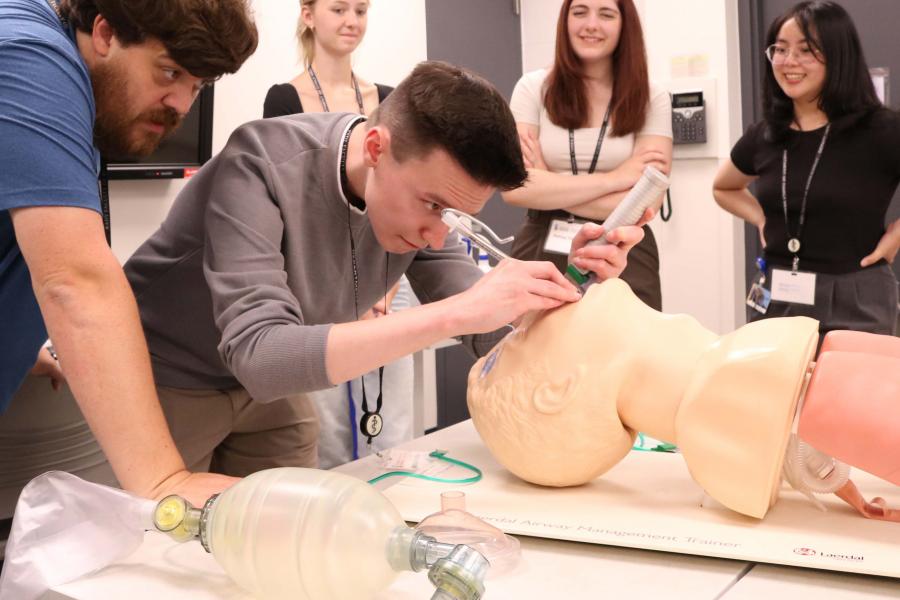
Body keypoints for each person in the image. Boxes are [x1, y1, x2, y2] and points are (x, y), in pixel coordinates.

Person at [123, 60, 648, 478]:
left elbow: (490, 334)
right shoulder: (258, 163)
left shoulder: (420, 204)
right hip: (165, 375)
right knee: (150, 556)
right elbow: (261, 356)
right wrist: (453, 314)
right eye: (434, 206)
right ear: (377, 148)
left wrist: (577, 279)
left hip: (267, 399)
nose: (439, 234)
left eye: (456, 215)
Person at [0, 0, 257, 506]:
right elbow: (75, 281)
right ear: (104, 31)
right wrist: (166, 482)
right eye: (170, 71)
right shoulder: (32, 58)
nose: (181, 105)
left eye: (198, 86)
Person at [467, 277, 900, 522]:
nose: (530, 315)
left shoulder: (778, 375)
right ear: (558, 390)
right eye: (520, 337)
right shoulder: (757, 385)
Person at [263, 0, 412, 467]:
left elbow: (402, 194)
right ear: (308, 15)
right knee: (323, 423)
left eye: (361, 10)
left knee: (392, 419)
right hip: (317, 274)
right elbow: (288, 199)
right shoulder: (283, 99)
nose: (351, 21)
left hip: (386, 272)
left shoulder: (389, 99)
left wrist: (382, 284)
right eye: (338, 8)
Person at [713, 0, 900, 340]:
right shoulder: (766, 133)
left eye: (806, 50)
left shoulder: (881, 128)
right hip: (777, 295)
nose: (789, 62)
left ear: (839, 55)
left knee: (850, 394)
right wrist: (759, 218)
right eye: (780, 49)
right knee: (772, 393)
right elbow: (723, 187)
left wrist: (898, 233)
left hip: (857, 298)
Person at [501, 0, 672, 310]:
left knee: (625, 353)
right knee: (535, 351)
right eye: (579, 12)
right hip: (541, 243)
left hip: (623, 247)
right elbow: (514, 188)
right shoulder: (533, 88)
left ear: (625, 24)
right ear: (565, 21)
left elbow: (650, 201)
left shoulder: (651, 95)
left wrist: (546, 183)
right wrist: (618, 180)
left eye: (606, 14)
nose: (590, 24)